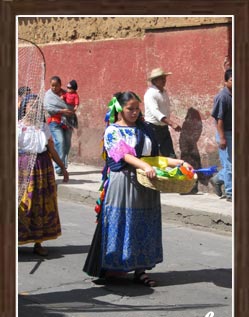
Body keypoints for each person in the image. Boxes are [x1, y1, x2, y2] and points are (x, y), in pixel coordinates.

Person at [83, 91, 193, 287]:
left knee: (145, 224)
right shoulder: (112, 131)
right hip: (124, 183)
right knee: (124, 222)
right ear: (119, 109)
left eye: (137, 109)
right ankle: (117, 265)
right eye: (130, 109)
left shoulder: (146, 129)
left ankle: (141, 270)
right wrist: (143, 166)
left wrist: (179, 162)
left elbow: (155, 158)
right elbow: (123, 155)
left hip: (147, 183)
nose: (134, 112)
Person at [18, 95, 69, 256]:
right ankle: (16, 239)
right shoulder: (17, 127)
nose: (33, 109)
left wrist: (62, 167)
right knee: (23, 203)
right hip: (23, 168)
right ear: (24, 108)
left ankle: (39, 242)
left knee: (41, 204)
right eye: (30, 106)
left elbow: (51, 149)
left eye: (37, 106)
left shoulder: (43, 127)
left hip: (43, 167)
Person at [144, 67, 181, 158]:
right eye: (161, 78)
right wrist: (171, 123)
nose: (164, 80)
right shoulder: (150, 94)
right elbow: (155, 112)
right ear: (155, 80)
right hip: (152, 127)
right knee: (154, 154)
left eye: (164, 78)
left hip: (163, 127)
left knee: (169, 153)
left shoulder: (164, 92)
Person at [44, 76, 75, 175]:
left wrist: (71, 110)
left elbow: (72, 103)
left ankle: (63, 165)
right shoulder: (48, 95)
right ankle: (58, 168)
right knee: (60, 142)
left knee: (67, 144)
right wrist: (62, 111)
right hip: (54, 122)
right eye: (52, 85)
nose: (54, 88)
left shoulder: (67, 93)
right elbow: (48, 108)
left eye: (56, 86)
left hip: (67, 122)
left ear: (60, 85)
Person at [210, 68, 232, 202]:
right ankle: (230, 193)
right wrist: (222, 138)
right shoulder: (222, 97)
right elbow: (219, 120)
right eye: (232, 80)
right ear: (225, 82)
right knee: (229, 164)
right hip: (225, 133)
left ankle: (217, 179)